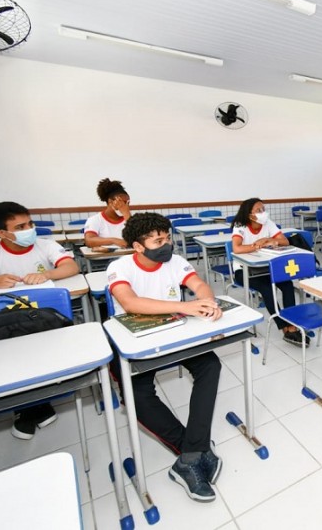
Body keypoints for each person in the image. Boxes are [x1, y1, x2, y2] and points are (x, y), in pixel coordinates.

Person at [107, 212, 222, 502]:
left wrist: (206, 301)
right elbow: (129, 302)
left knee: (209, 364)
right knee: (137, 395)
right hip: (136, 341)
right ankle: (193, 450)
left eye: (167, 237)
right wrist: (184, 308)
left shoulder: (175, 262)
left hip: (175, 333)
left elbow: (199, 285)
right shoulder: (119, 267)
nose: (166, 244)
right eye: (158, 240)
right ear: (137, 246)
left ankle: (189, 458)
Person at [0, 201, 79, 440]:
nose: (29, 229)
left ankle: (33, 406)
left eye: (29, 223)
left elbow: (71, 266)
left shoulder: (45, 245)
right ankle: (32, 405)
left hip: (45, 317)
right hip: (8, 320)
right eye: (20, 226)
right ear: (0, 232)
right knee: (9, 351)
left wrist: (45, 274)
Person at [231, 198, 307, 346]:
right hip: (244, 270)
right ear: (250, 215)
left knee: (287, 285)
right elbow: (237, 249)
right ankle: (284, 327)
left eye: (263, 209)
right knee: (267, 289)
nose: (263, 213)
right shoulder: (240, 226)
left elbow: (284, 241)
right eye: (259, 210)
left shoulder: (268, 223)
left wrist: (269, 239)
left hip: (266, 267)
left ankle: (291, 322)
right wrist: (258, 245)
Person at [84, 178, 131, 248]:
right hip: (106, 258)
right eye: (122, 203)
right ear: (110, 202)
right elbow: (89, 241)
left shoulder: (129, 218)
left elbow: (141, 238)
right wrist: (113, 240)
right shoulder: (95, 220)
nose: (126, 207)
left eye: (128, 203)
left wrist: (127, 215)